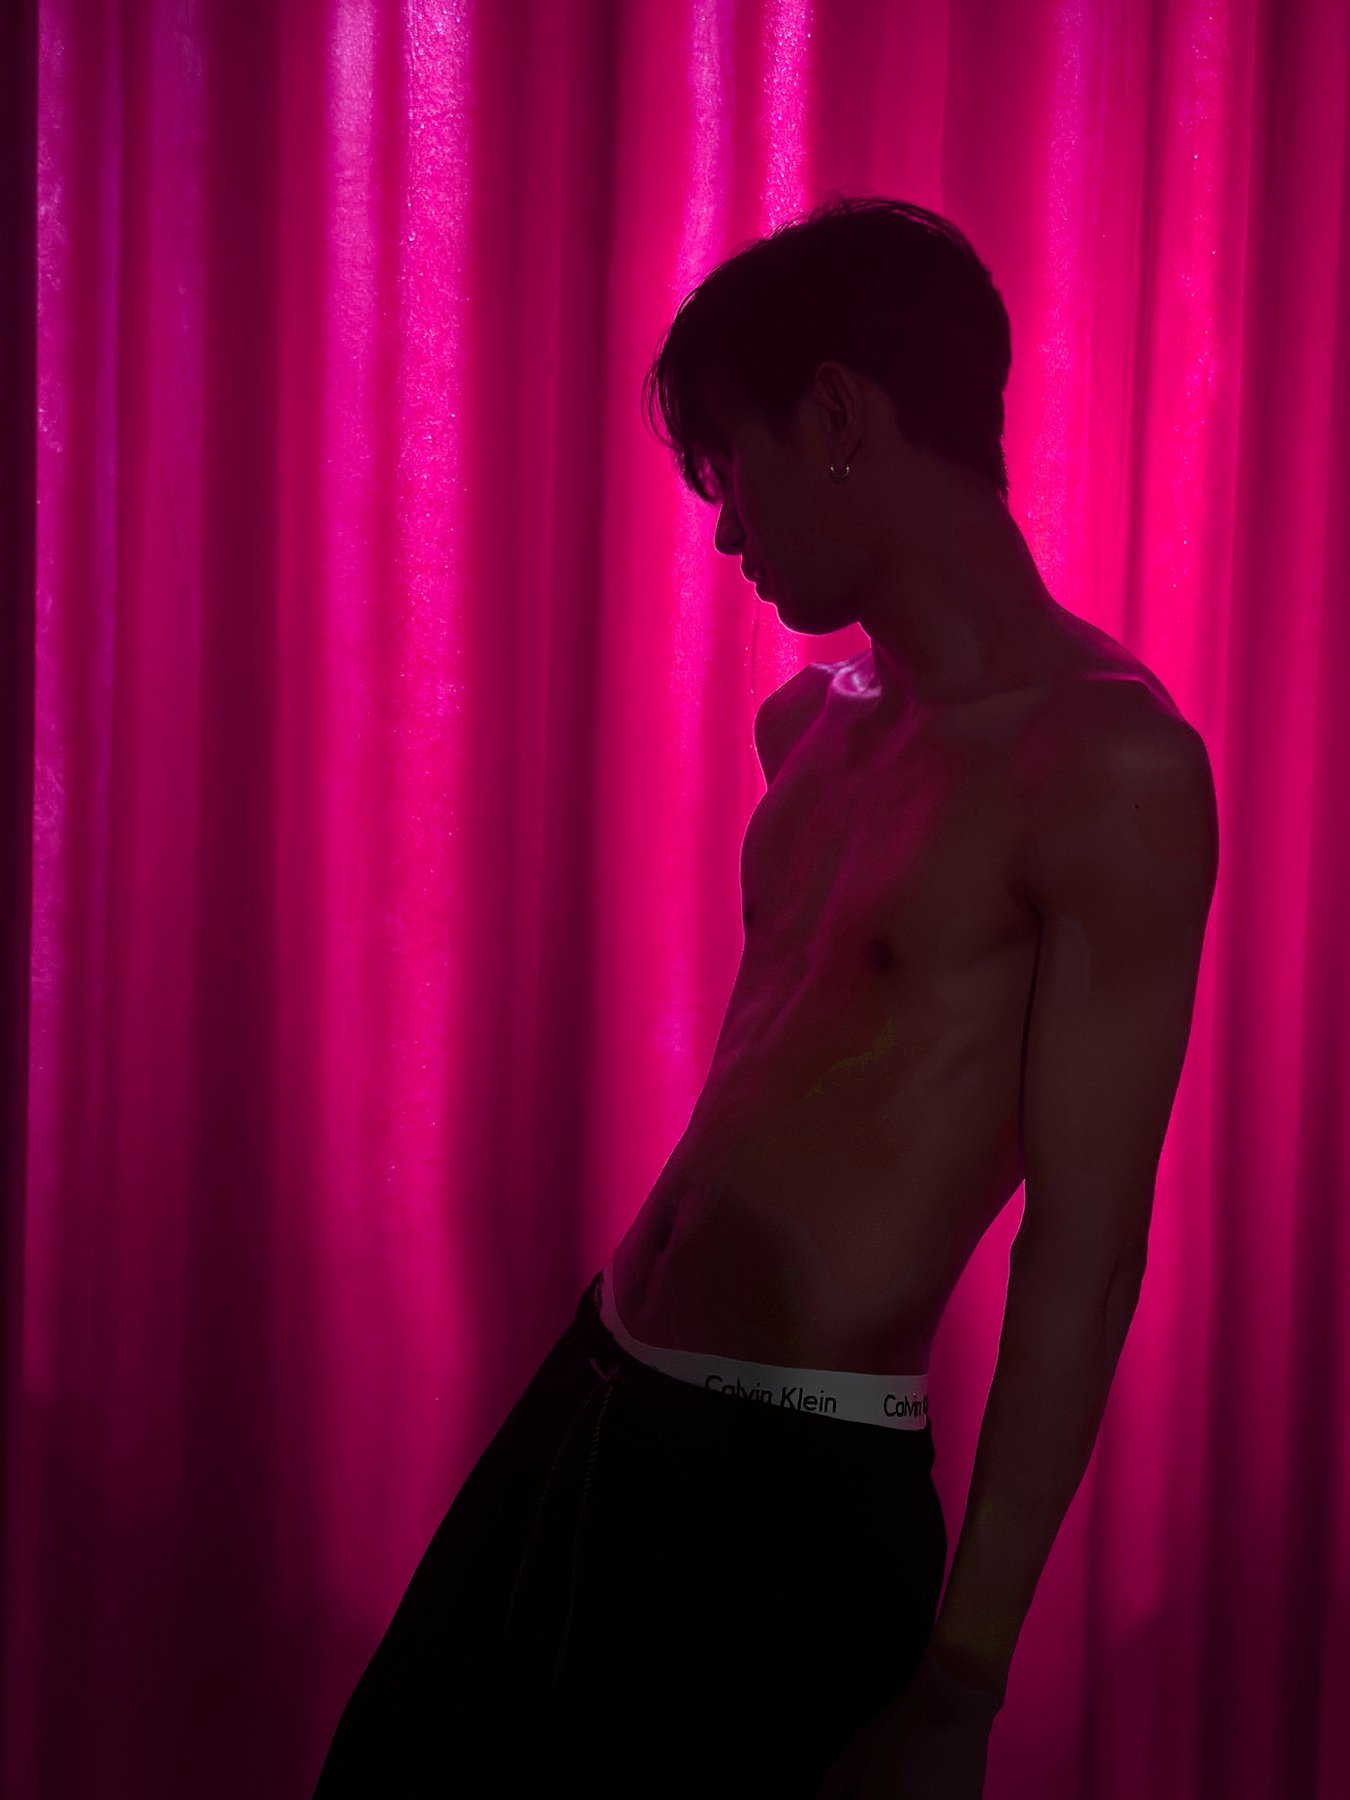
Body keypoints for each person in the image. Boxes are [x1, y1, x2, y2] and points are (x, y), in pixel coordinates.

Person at [313, 198, 1218, 1799]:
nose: (727, 535)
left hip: (793, 1476)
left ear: (837, 416)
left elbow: (1084, 1256)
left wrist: (962, 1681)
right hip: (594, 1388)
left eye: (727, 470)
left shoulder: (1109, 767)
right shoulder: (808, 729)